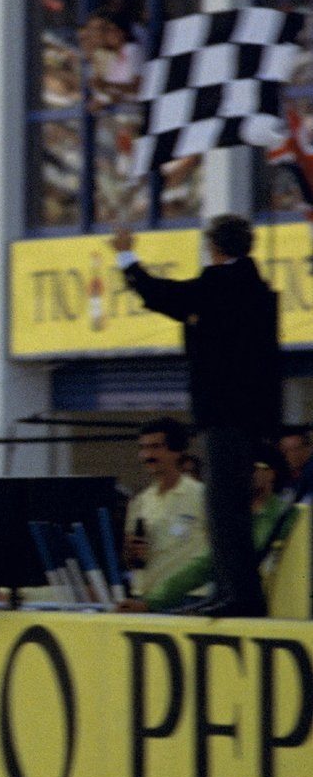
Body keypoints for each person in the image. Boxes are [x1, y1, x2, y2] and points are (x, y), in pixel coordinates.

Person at [116, 215, 281, 615]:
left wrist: (126, 257)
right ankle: (230, 589)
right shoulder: (257, 289)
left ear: (214, 247)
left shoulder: (221, 285)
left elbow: (161, 295)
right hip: (250, 412)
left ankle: (238, 594)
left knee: (224, 510)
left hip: (224, 413)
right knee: (229, 508)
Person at [127, 445, 295, 612]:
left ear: (271, 473)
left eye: (250, 467)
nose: (240, 473)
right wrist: (151, 602)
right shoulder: (236, 518)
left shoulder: (288, 516)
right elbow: (203, 565)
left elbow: (231, 555)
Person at [120, 417, 210, 608]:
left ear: (177, 451)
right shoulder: (140, 501)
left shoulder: (202, 496)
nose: (147, 455)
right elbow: (130, 560)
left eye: (155, 447)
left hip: (188, 599)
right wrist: (131, 553)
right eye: (143, 448)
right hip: (145, 598)